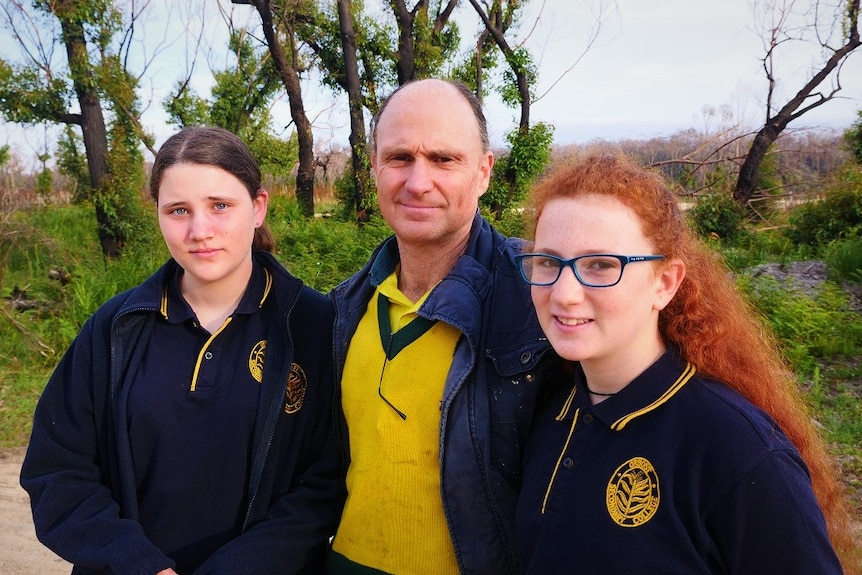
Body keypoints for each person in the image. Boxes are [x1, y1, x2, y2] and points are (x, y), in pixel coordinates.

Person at [514, 153, 859, 574]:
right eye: (549, 262)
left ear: (665, 283)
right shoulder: (546, 407)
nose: (564, 293)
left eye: (601, 265)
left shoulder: (738, 450)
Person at [20, 126, 343, 575]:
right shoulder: (115, 330)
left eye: (220, 206)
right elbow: (58, 471)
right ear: (157, 214)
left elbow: (324, 483)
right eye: (178, 210)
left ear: (258, 207)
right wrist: (139, 565)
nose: (199, 230)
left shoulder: (314, 325)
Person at [328, 78, 552, 575]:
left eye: (444, 159)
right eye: (400, 157)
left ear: (484, 171)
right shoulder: (344, 308)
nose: (417, 181)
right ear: (374, 167)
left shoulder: (540, 293)